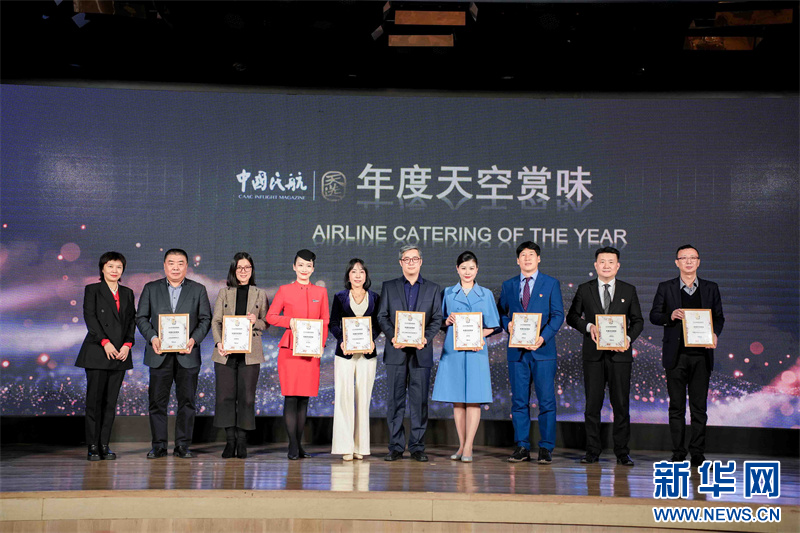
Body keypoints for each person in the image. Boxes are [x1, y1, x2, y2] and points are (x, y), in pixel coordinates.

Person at [566, 247, 643, 466]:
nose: (606, 265)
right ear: (595, 265)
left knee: (621, 405)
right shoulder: (585, 289)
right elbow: (572, 316)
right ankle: (592, 451)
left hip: (620, 356)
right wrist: (588, 326)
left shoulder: (629, 290)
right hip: (594, 355)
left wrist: (628, 338)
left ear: (617, 266)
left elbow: (638, 321)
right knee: (592, 406)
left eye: (611, 262)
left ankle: (622, 452)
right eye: (602, 261)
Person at [650, 244, 724, 466]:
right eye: (684, 258)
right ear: (677, 262)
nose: (689, 261)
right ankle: (678, 452)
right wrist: (670, 315)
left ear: (698, 262)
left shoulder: (711, 288)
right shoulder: (666, 287)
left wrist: (714, 333)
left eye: (693, 258)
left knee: (699, 408)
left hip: (701, 356)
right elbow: (654, 315)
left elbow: (719, 317)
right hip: (676, 356)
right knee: (677, 407)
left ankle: (697, 453)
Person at [136, 248, 211, 459]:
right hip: (159, 354)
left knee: (187, 402)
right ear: (164, 266)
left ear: (186, 266)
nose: (175, 267)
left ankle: (182, 446)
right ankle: (159, 445)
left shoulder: (198, 289)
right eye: (171, 263)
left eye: (180, 263)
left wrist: (193, 340)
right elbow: (141, 318)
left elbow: (205, 319)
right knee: (157, 403)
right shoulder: (151, 288)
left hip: (188, 354)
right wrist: (153, 337)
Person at [497, 241, 564, 464]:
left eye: (531, 254)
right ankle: (522, 446)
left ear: (538, 258)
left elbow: (558, 315)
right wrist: (507, 324)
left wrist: (543, 337)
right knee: (519, 401)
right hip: (517, 352)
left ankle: (546, 448)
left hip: (543, 351)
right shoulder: (508, 285)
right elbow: (501, 312)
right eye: (523, 255)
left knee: (546, 401)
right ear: (517, 260)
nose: (527, 258)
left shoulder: (551, 283)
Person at [432, 251, 500, 463]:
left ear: (477, 269)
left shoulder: (486, 294)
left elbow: (494, 325)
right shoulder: (448, 293)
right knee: (458, 401)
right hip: (453, 352)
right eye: (463, 268)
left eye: (471, 268)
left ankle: (469, 446)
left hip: (476, 352)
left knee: (474, 400)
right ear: (457, 269)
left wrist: (480, 334)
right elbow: (439, 321)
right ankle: (461, 446)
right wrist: (447, 321)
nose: (467, 272)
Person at [377, 245, 443, 462]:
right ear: (401, 263)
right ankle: (396, 446)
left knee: (419, 402)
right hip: (395, 351)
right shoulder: (389, 287)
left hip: (421, 352)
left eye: (415, 259)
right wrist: (392, 336)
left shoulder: (433, 289)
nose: (411, 262)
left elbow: (437, 319)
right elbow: (382, 316)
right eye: (407, 259)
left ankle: (417, 446)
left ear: (421, 262)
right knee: (395, 401)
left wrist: (426, 338)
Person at [267, 249, 330, 460]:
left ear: (313, 268)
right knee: (291, 397)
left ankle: (299, 445)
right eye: (300, 265)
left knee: (304, 399)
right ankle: (293, 445)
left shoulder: (321, 292)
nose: (304, 269)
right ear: (294, 267)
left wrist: (321, 344)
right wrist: (290, 321)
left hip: (311, 351)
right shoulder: (285, 290)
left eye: (308, 265)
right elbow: (271, 316)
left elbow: (325, 321)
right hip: (290, 351)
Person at [76, 251, 135, 461]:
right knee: (94, 402)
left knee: (110, 403)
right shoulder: (92, 290)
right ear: (102, 269)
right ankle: (93, 446)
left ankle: (104, 445)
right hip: (97, 352)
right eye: (110, 266)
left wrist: (127, 344)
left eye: (118, 267)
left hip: (120, 354)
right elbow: (90, 318)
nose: (114, 270)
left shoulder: (127, 293)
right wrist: (105, 342)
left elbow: (131, 321)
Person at [210, 252, 269, 459]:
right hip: (226, 353)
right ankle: (230, 441)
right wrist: (219, 343)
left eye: (247, 267)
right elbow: (216, 321)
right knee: (225, 397)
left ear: (252, 270)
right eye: (240, 267)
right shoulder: (224, 292)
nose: (243, 271)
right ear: (234, 270)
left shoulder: (259, 293)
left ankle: (242, 442)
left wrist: (255, 321)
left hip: (250, 353)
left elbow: (266, 322)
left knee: (247, 398)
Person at [330, 258, 381, 461]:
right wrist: (342, 340)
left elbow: (378, 323)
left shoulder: (375, 297)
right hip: (345, 353)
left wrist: (372, 339)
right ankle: (345, 447)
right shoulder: (340, 297)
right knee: (344, 397)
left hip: (367, 354)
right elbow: (333, 323)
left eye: (361, 271)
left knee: (363, 399)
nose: (358, 275)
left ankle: (361, 446)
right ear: (348, 276)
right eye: (354, 271)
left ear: (366, 275)